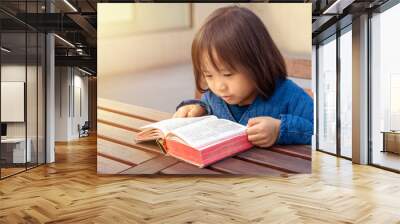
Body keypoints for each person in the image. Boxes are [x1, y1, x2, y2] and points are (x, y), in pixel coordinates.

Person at [173, 5, 313, 147]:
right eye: (209, 75)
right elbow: (206, 107)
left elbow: (320, 131)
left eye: (227, 74)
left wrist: (279, 130)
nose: (219, 87)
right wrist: (198, 109)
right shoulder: (213, 97)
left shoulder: (288, 95)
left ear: (257, 63)